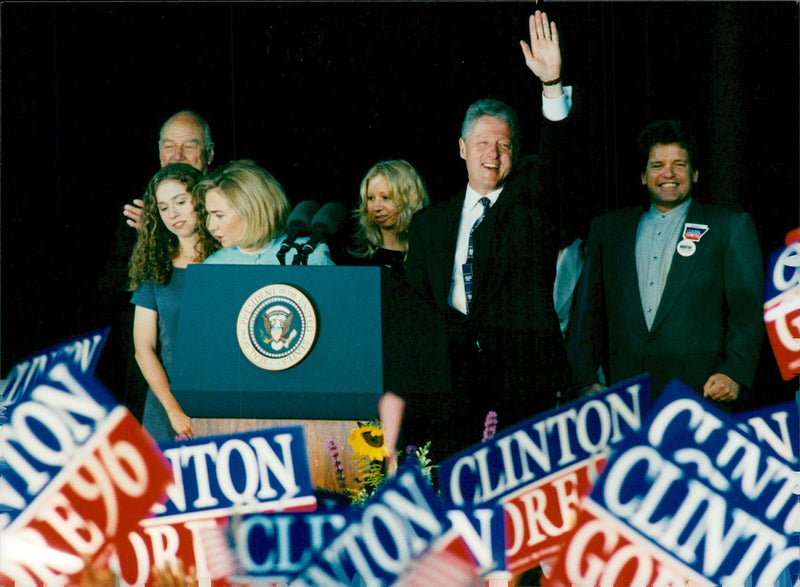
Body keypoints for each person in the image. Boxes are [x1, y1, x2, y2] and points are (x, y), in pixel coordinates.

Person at [403, 11, 576, 458]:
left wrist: (552, 86)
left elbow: (556, 162)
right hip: (450, 388)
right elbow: (419, 311)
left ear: (515, 155)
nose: (492, 154)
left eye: (503, 145)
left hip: (523, 386)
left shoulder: (530, 207)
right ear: (462, 149)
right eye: (482, 143)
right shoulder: (429, 224)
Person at [566, 119, 764, 406]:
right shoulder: (608, 231)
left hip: (701, 396)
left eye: (679, 164)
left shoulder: (729, 226)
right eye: (657, 165)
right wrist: (584, 381)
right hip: (626, 399)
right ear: (643, 176)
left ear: (695, 173)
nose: (668, 173)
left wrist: (734, 372)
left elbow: (747, 311)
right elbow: (586, 314)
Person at [128, 163, 221, 441]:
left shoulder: (229, 260)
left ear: (201, 200)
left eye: (180, 201)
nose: (173, 214)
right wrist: (173, 411)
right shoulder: (155, 266)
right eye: (164, 207)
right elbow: (143, 348)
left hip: (221, 399)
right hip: (166, 406)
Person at [199, 160, 335, 265]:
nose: (211, 226)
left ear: (252, 211)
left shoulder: (308, 254)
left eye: (219, 215)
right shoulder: (214, 265)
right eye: (208, 214)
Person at [123, 110, 215, 229]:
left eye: (189, 147)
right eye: (169, 147)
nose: (178, 156)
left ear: (210, 153)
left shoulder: (228, 198)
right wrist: (148, 235)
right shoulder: (141, 211)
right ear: (160, 152)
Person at [348, 159, 429, 277]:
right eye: (371, 198)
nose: (376, 207)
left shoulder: (427, 253)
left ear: (409, 199)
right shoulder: (357, 255)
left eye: (386, 197)